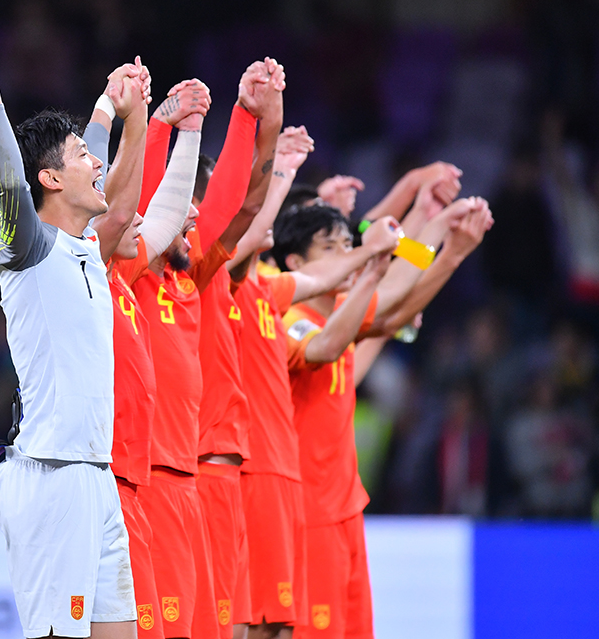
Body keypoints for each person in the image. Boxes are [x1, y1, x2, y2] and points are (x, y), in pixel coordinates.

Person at [0, 19, 137, 639]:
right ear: (51, 180)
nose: (96, 163)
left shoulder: (87, 244)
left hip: (96, 474)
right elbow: (8, 172)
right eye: (81, 157)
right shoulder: (29, 246)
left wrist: (108, 103)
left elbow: (93, 160)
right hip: (53, 477)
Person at [273, 197, 492, 639]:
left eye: (347, 245)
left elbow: (396, 294)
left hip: (344, 509)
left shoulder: (341, 314)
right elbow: (334, 340)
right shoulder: (291, 320)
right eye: (331, 248)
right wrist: (422, 246)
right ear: (295, 264)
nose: (346, 256)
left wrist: (440, 230)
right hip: (308, 515)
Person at [221, 130, 398, 639]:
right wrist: (276, 161)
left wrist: (393, 249)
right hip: (258, 475)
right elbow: (325, 343)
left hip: (295, 483)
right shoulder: (245, 294)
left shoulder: (271, 291)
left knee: (276, 625)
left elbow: (330, 279)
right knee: (250, 623)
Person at [127, 62, 274, 639]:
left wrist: (245, 117)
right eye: (182, 203)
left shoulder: (190, 279)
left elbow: (232, 207)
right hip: (149, 478)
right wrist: (160, 126)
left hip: (187, 478)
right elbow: (141, 207)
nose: (192, 214)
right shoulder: (133, 275)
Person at [106, 75, 207, 638]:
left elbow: (160, 215)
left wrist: (186, 128)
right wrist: (147, 121)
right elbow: (131, 208)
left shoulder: (146, 279)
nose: (142, 222)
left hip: (155, 474)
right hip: (121, 475)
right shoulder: (100, 269)